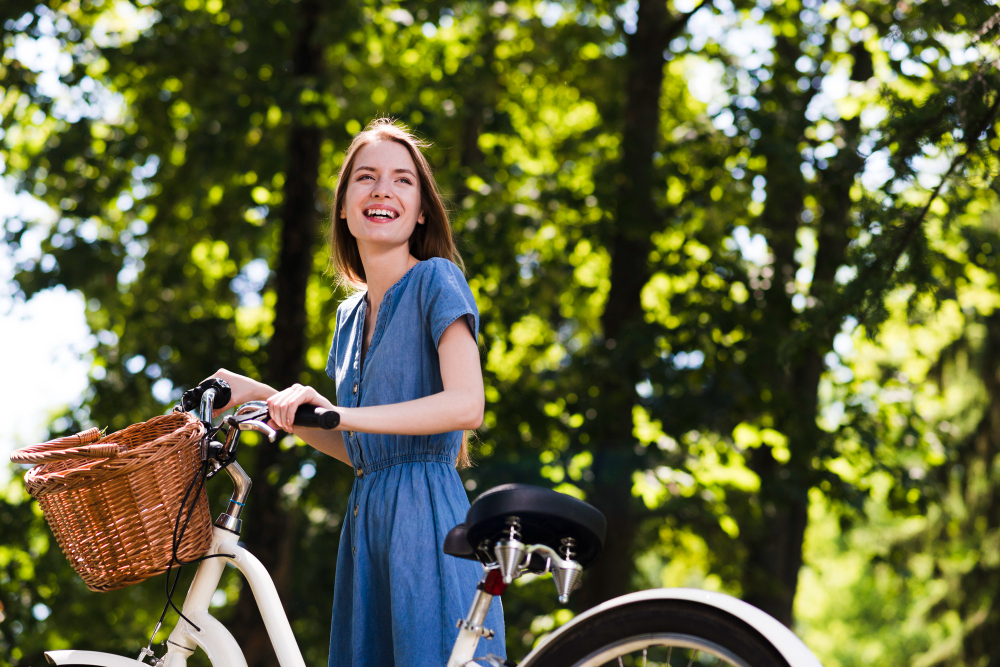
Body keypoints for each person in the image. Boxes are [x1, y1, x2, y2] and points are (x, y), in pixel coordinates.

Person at [210, 118, 506, 666]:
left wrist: (340, 413)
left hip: (427, 519)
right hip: (366, 520)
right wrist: (258, 393)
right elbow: (357, 448)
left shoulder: (436, 279)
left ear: (421, 211)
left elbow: (468, 404)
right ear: (344, 208)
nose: (382, 191)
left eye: (402, 181)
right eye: (365, 178)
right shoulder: (348, 317)